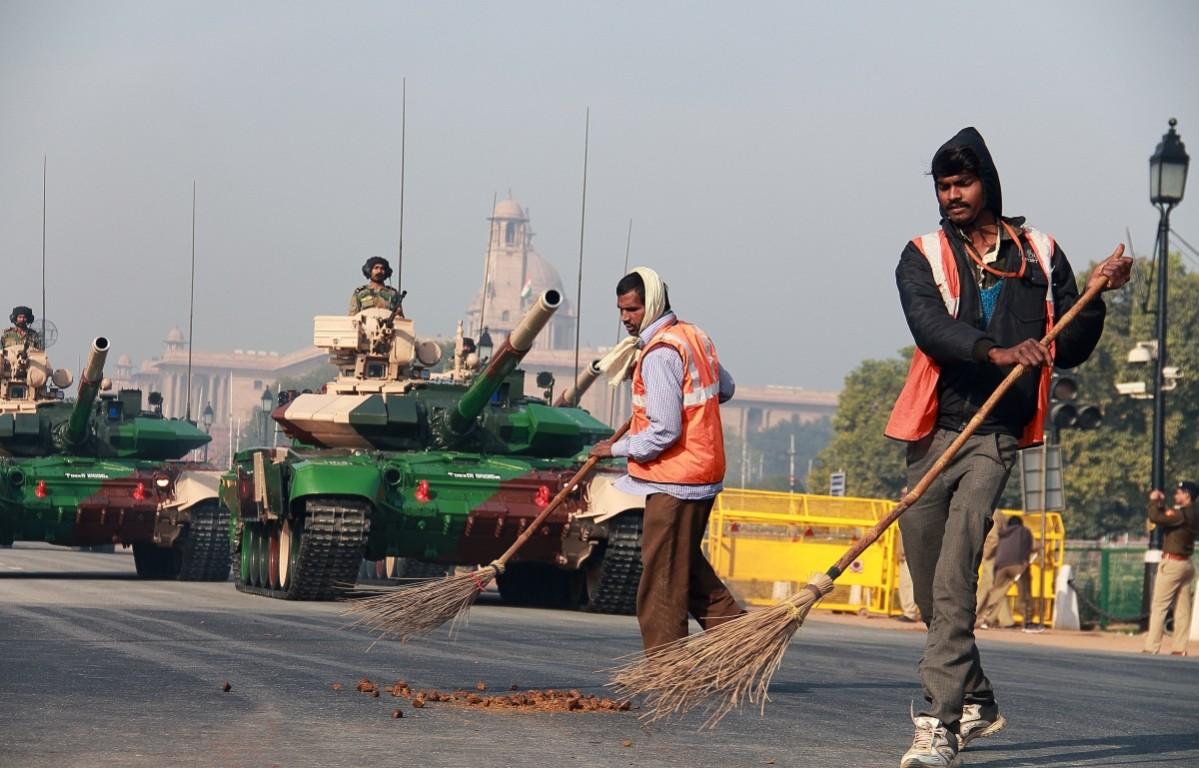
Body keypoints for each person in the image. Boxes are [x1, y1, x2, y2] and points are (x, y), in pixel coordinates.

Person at [885, 127, 1132, 768]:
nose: (952, 195)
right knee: (926, 587)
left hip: (994, 435)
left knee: (955, 571)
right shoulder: (923, 254)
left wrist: (1096, 297)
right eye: (943, 186)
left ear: (988, 185)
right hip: (934, 430)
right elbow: (931, 328)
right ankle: (979, 700)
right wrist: (995, 351)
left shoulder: (1041, 253)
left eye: (962, 183)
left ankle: (939, 724)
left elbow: (1070, 341)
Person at [588, 267, 743, 652]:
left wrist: (615, 449)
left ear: (652, 304)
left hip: (676, 480)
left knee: (661, 578)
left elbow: (664, 431)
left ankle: (664, 664)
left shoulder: (658, 355)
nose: (626, 318)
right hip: (702, 472)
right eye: (622, 310)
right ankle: (740, 643)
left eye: (634, 309)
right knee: (685, 568)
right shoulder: (694, 337)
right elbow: (725, 388)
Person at [1144, 480, 1199, 656]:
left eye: (1179, 493)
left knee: (1160, 605)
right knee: (1183, 609)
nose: (1176, 495)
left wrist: (1154, 501)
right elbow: (1170, 515)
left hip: (1172, 564)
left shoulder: (1181, 514)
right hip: (1187, 563)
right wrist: (1163, 506)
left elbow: (1156, 517)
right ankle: (1179, 648)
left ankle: (1152, 646)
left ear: (1187, 496)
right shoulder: (1193, 513)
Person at [977, 516, 1035, 630]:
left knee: (997, 594)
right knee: (1024, 593)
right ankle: (1027, 622)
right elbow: (1029, 548)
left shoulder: (1003, 533)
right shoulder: (1024, 531)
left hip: (1000, 567)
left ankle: (988, 620)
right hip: (1017, 565)